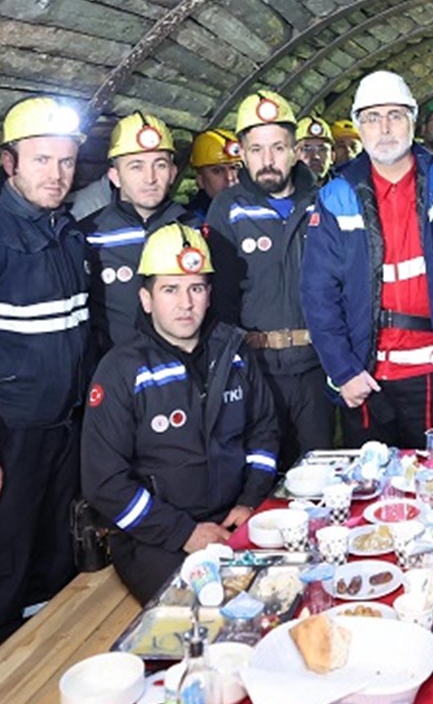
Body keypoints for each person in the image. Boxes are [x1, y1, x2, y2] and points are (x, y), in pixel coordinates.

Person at [0, 97, 94, 669]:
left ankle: (40, 672)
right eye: (41, 160)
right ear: (10, 163)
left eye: (65, 162)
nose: (55, 174)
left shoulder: (67, 233)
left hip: (63, 431)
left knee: (50, 561)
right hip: (8, 437)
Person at [300, 69, 433, 448]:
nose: (385, 128)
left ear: (412, 121)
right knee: (373, 490)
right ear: (360, 127)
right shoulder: (337, 195)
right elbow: (318, 293)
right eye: (373, 118)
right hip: (367, 377)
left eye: (395, 115)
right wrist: (343, 370)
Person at [81, 223, 280, 601]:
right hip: (156, 536)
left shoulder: (234, 353)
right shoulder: (122, 370)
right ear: (146, 298)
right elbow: (104, 483)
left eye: (196, 288)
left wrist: (250, 499)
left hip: (233, 517)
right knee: (205, 610)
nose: (185, 303)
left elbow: (264, 432)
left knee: (285, 590)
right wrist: (184, 534)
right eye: (170, 289)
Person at [205, 90, 332, 467]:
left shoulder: (323, 202)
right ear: (241, 154)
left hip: (315, 367)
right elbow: (220, 297)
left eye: (278, 147)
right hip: (256, 369)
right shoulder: (226, 210)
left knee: (321, 470)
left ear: (295, 151)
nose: (268, 160)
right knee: (263, 474)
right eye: (256, 149)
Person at [83, 111, 193, 354]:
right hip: (115, 375)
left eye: (160, 165)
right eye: (136, 166)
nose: (150, 178)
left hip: (182, 373)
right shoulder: (90, 236)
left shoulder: (194, 230)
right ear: (115, 176)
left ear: (173, 173)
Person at [185, 128, 240, 219]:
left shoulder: (260, 213)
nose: (230, 177)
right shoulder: (189, 223)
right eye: (217, 171)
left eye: (234, 168)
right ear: (201, 180)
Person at [296, 114, 334, 180]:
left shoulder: (345, 189)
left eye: (323, 150)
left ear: (332, 157)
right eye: (306, 149)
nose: (316, 156)